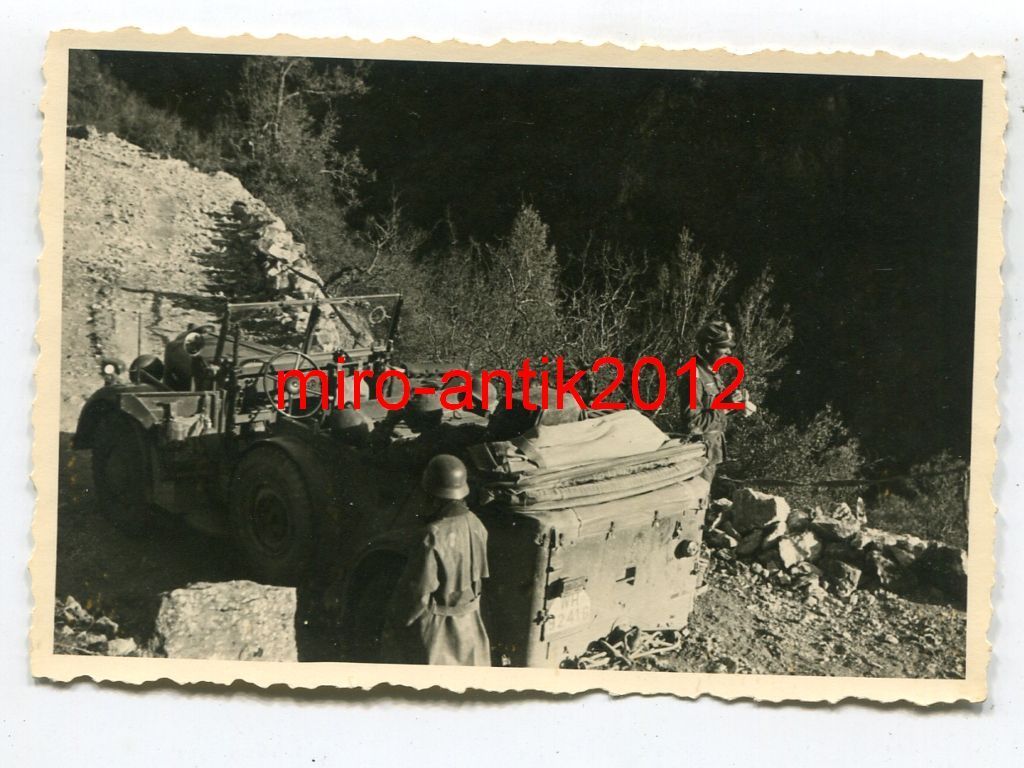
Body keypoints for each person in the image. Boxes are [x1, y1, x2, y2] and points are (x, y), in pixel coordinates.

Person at [385, 454, 491, 666]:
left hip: (439, 634)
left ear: (433, 495)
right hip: (470, 627)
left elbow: (417, 594)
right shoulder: (477, 524)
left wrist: (394, 621)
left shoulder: (433, 535)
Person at [681, 320, 757, 484]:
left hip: (710, 452)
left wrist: (733, 403)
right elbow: (693, 422)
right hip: (697, 454)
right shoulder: (694, 375)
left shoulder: (711, 373)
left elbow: (713, 408)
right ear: (709, 348)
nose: (729, 352)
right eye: (725, 347)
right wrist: (724, 408)